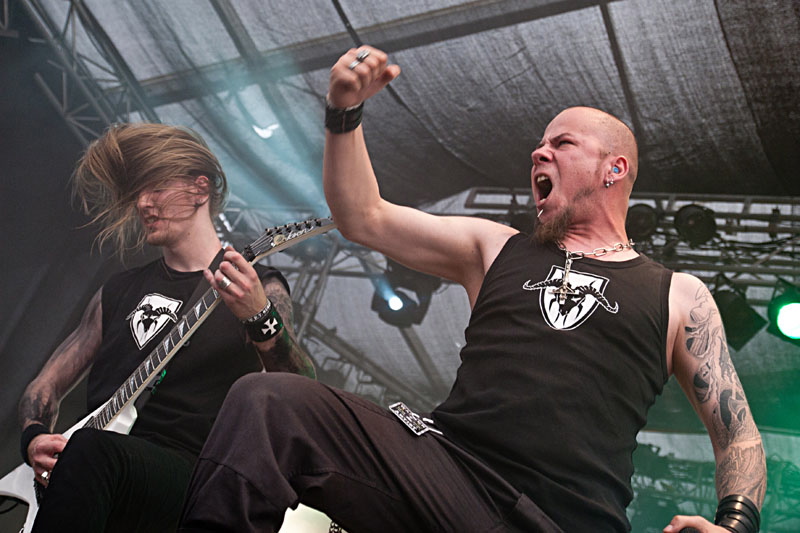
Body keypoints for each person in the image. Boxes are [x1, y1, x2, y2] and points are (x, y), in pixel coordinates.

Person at [178, 47, 766, 533]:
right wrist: (343, 114)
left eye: (561, 144)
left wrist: (734, 526)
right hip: (447, 474)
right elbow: (364, 217)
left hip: (563, 520)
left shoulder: (678, 296)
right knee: (268, 402)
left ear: (614, 170)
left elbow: (737, 434)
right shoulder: (497, 247)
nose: (539, 151)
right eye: (540, 144)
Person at [18, 122, 315, 533]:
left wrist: (259, 315)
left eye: (156, 188)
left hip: (188, 476)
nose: (142, 203)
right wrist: (34, 438)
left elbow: (303, 384)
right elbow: (42, 388)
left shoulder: (258, 285)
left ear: (199, 189)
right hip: (97, 466)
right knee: (90, 450)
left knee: (93, 451)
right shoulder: (119, 289)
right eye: (137, 192)